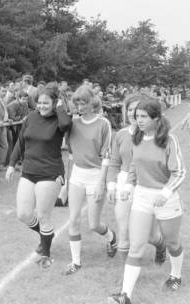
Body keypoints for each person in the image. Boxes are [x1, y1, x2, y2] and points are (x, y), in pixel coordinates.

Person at [108, 99, 186, 304]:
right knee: (136, 246)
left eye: (143, 116)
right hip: (142, 197)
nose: (138, 120)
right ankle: (125, 296)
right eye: (137, 116)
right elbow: (134, 165)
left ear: (156, 118)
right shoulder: (138, 138)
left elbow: (179, 172)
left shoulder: (169, 140)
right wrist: (127, 187)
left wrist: (166, 192)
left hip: (165, 199)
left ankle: (175, 275)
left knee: (172, 242)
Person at [6, 85, 72, 268]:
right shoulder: (31, 117)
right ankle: (46, 236)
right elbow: (21, 141)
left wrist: (59, 107)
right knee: (23, 214)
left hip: (50, 173)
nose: (42, 106)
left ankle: (46, 252)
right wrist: (11, 164)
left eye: (46, 103)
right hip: (29, 171)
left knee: (43, 215)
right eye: (39, 102)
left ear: (54, 103)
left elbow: (67, 125)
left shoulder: (59, 119)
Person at [63, 85, 117, 275]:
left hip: (95, 175)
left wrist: (102, 183)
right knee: (73, 219)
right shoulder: (73, 123)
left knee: (94, 224)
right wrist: (65, 184)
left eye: (83, 102)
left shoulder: (104, 123)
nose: (80, 106)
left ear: (92, 102)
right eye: (77, 102)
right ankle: (76, 262)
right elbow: (70, 155)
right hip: (77, 175)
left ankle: (111, 237)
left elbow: (107, 156)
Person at [106, 95, 166, 263]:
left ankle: (160, 245)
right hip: (125, 184)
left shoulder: (156, 136)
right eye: (130, 109)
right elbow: (114, 163)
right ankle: (127, 274)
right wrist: (111, 186)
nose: (133, 114)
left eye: (138, 110)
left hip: (147, 185)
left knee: (150, 235)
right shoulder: (120, 135)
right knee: (124, 230)